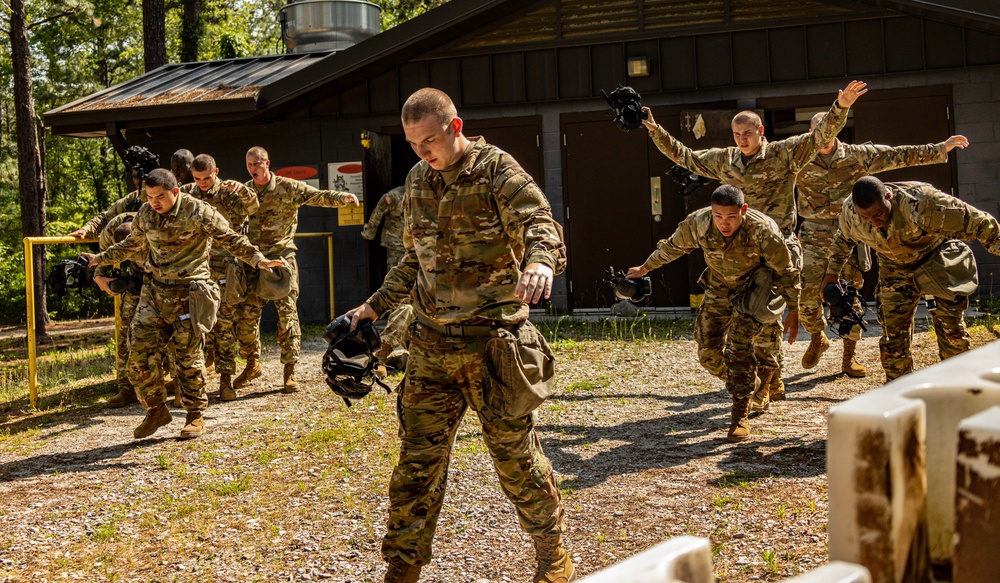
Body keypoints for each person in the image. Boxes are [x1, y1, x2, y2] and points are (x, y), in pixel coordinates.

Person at [345, 88, 572, 583]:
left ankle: (552, 556)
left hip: (494, 346)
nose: (423, 151)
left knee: (515, 461)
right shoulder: (416, 181)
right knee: (416, 464)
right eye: (413, 143)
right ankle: (402, 566)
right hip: (431, 346)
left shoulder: (497, 170)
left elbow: (539, 223)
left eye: (429, 140)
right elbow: (413, 259)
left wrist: (537, 261)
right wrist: (373, 307)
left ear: (455, 126)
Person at [640, 80, 867, 403]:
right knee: (743, 323)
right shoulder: (726, 160)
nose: (742, 140)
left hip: (776, 249)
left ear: (761, 131)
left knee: (765, 321)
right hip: (742, 250)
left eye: (747, 133)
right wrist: (653, 128)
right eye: (736, 134)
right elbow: (686, 157)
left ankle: (766, 384)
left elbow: (820, 137)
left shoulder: (783, 154)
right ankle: (770, 380)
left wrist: (841, 106)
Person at [81, 169, 285, 440]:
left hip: (189, 293)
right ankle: (156, 409)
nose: (155, 202)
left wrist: (258, 260)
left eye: (161, 196)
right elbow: (133, 243)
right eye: (151, 196)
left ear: (175, 191)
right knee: (137, 357)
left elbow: (231, 238)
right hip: (154, 292)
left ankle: (194, 415)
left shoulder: (199, 211)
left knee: (187, 360)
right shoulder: (145, 213)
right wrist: (101, 258)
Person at [795, 112, 969, 380]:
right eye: (817, 132)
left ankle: (848, 359)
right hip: (814, 233)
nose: (823, 137)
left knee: (849, 296)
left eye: (828, 130)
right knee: (807, 297)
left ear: (836, 131)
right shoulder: (799, 156)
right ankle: (817, 336)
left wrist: (940, 149)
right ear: (811, 133)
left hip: (856, 227)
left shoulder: (857, 155)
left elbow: (897, 155)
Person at [627, 185, 800, 442]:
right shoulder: (699, 223)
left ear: (743, 210)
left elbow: (786, 271)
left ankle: (739, 412)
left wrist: (794, 311)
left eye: (731, 217)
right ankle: (748, 382)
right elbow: (674, 246)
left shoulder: (763, 230)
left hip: (757, 287)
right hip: (720, 285)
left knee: (739, 344)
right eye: (718, 216)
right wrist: (645, 267)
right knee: (708, 352)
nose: (724, 223)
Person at [823, 176, 1000, 381]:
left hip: (935, 259)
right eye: (867, 218)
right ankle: (899, 392)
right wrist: (832, 274)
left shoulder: (923, 203)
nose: (874, 222)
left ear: (888, 196)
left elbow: (983, 224)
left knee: (952, 333)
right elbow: (843, 240)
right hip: (894, 266)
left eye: (878, 214)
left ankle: (960, 387)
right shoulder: (851, 212)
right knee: (892, 338)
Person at [234, 147, 359, 393]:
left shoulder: (287, 187)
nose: (252, 169)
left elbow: (318, 196)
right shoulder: (245, 192)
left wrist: (342, 198)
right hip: (254, 261)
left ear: (267, 163)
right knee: (246, 318)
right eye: (249, 164)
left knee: (287, 317)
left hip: (281, 260)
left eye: (256, 163)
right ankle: (252, 363)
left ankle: (289, 371)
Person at [181, 153, 259, 401]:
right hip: (198, 266)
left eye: (206, 178)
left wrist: (243, 191)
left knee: (224, 324)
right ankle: (193, 384)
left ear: (216, 172)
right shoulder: (187, 193)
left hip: (226, 266)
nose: (202, 183)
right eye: (197, 178)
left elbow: (254, 206)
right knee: (196, 324)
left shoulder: (228, 192)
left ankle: (226, 382)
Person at [361, 185, 412, 370]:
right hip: (397, 245)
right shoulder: (394, 196)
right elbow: (378, 211)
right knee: (404, 303)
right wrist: (369, 232)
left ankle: (395, 360)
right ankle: (381, 353)